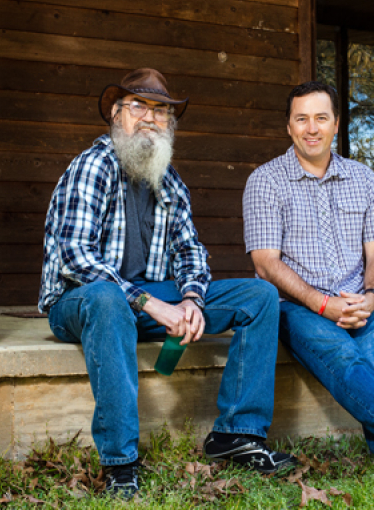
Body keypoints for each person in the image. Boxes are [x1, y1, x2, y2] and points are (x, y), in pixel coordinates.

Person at [39, 68, 295, 500]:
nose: (149, 118)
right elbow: (74, 257)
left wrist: (192, 298)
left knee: (260, 295)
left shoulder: (170, 180)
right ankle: (120, 463)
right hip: (82, 303)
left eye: (160, 111)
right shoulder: (93, 165)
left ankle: (238, 433)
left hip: (145, 303)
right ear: (116, 115)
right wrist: (151, 303)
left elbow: (190, 252)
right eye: (138, 106)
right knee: (106, 299)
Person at [242, 81, 374, 478]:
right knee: (346, 361)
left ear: (336, 124)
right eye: (302, 119)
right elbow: (265, 264)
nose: (312, 128)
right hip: (297, 307)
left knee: (373, 372)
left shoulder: (361, 177)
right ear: (289, 127)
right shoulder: (265, 180)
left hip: (359, 301)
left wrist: (371, 295)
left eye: (321, 118)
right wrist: (322, 304)